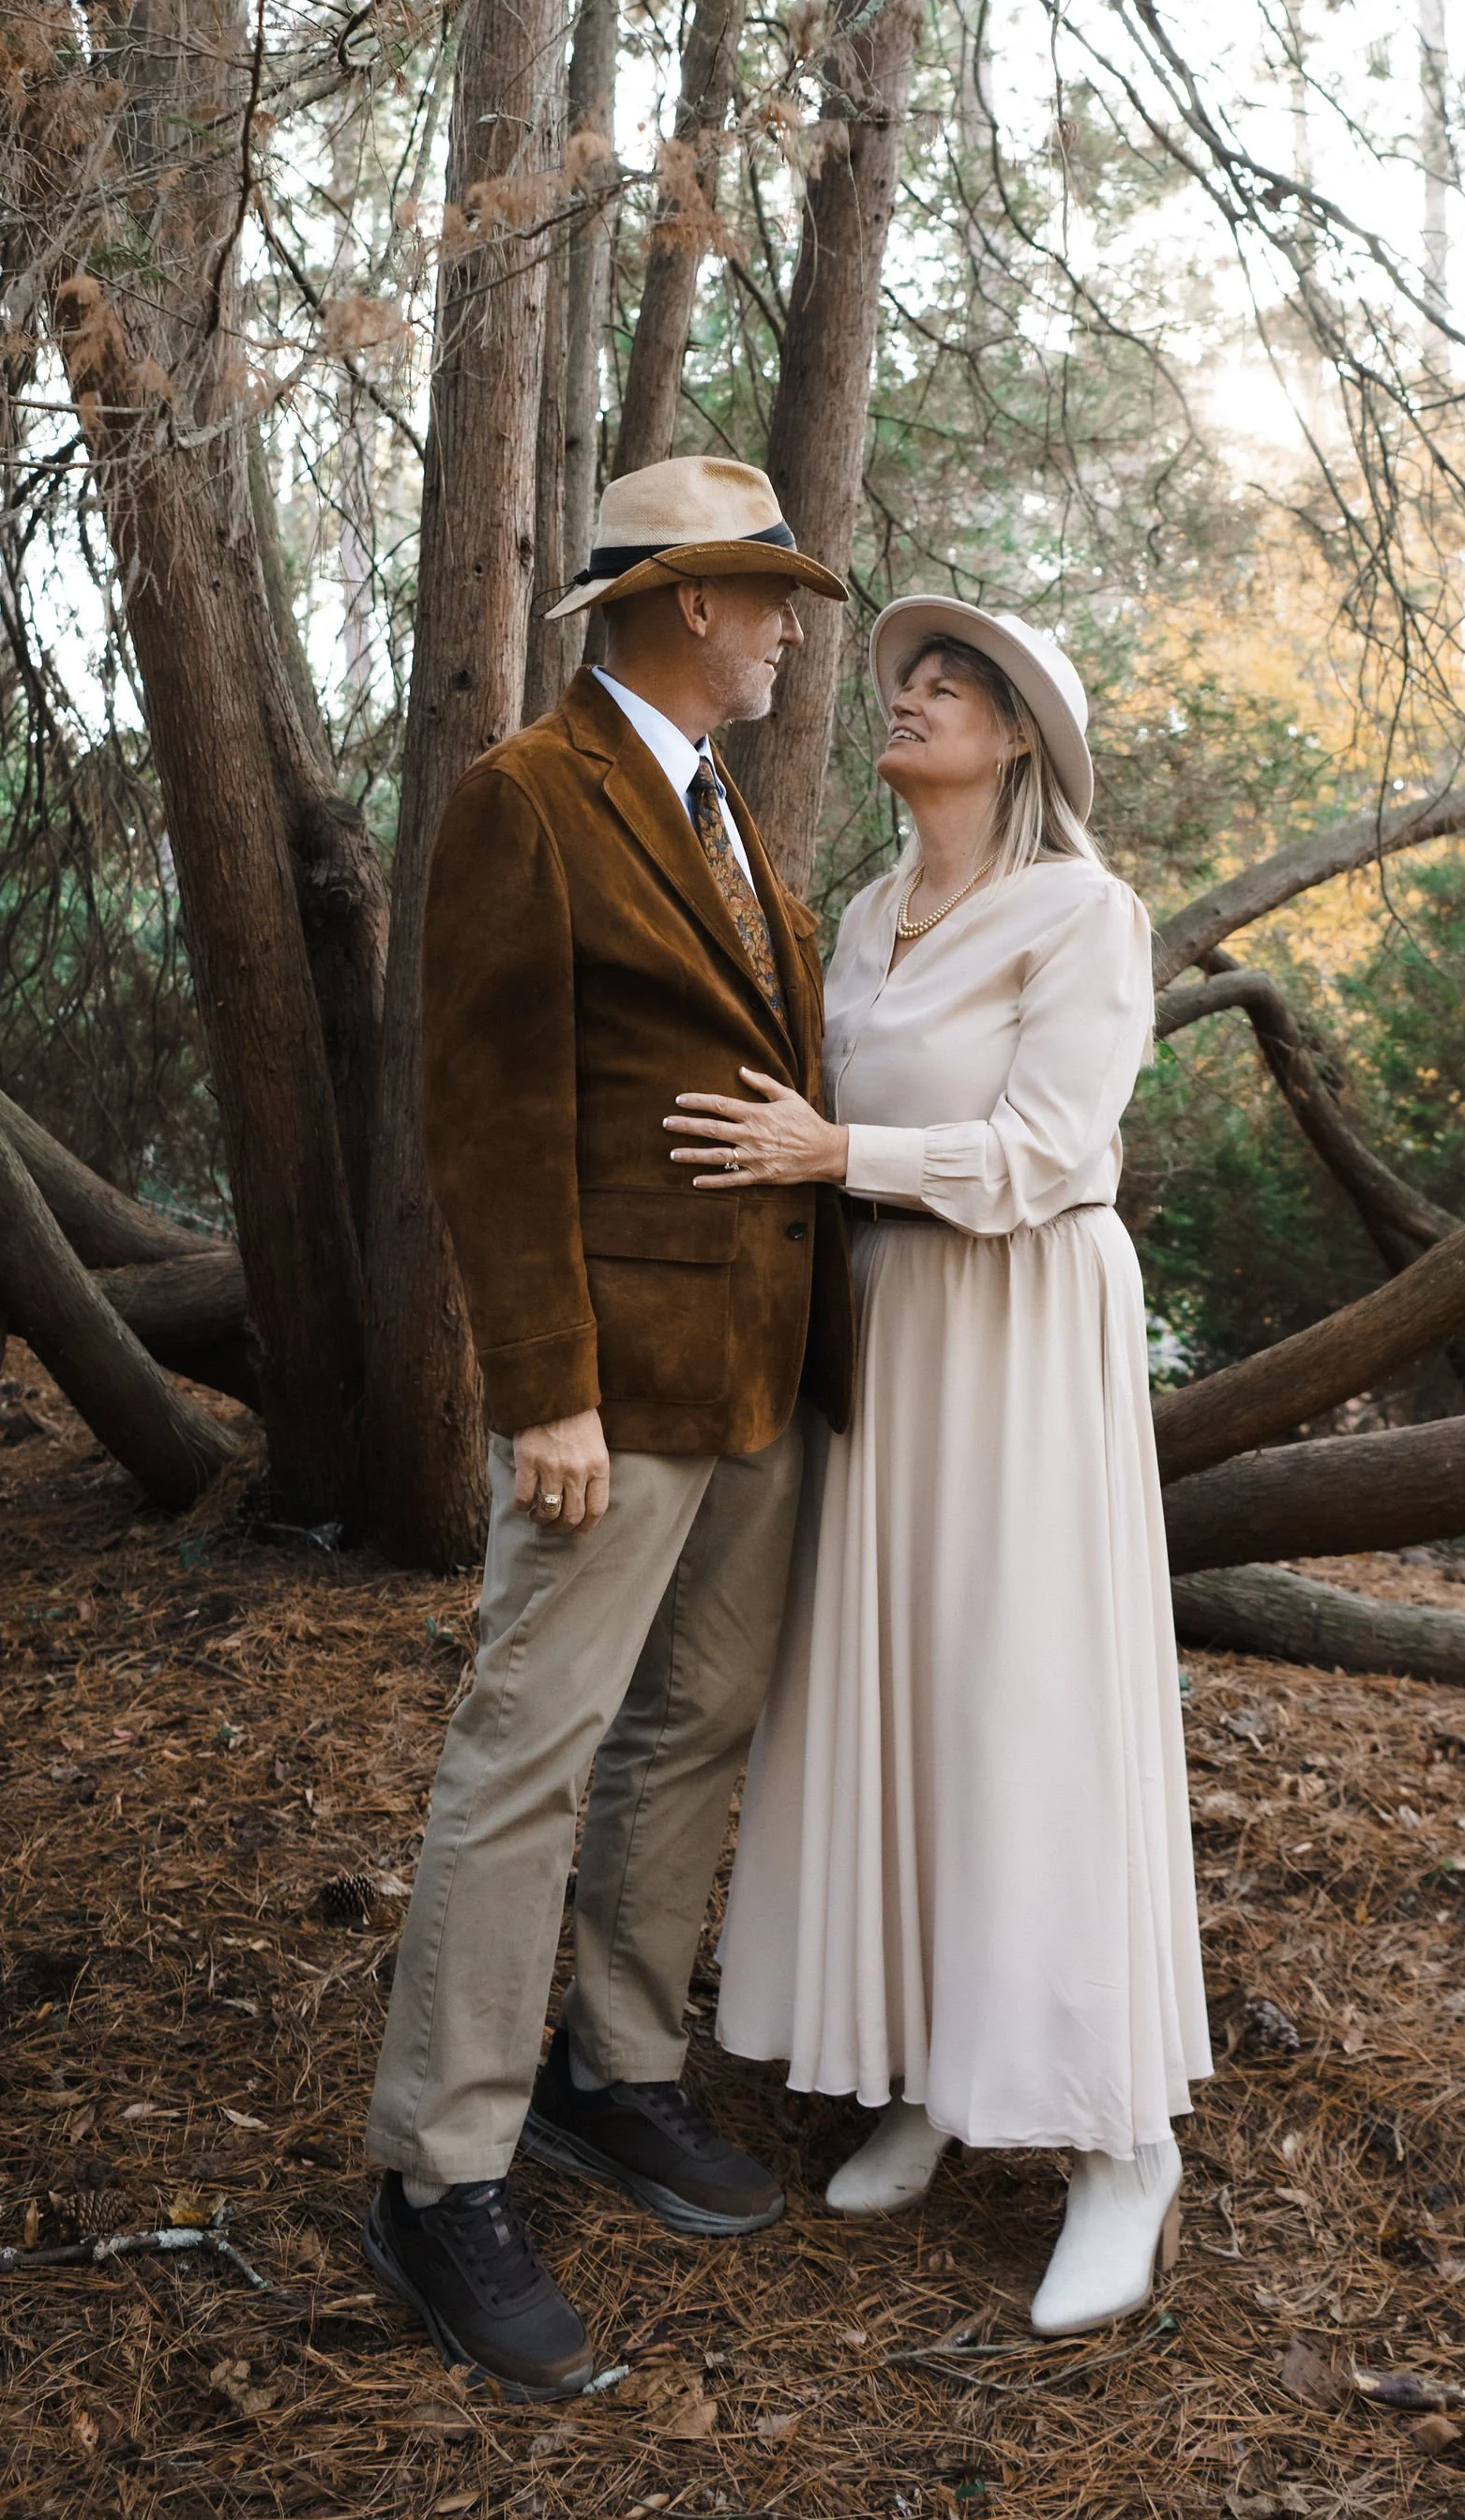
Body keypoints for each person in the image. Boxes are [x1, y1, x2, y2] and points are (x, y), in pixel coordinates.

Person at [360, 456, 854, 2401]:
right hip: (611, 1390)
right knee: (526, 1755)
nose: (796, 633)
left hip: (757, 1379)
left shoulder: (721, 811)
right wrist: (545, 1385)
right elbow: (489, 1122)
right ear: (687, 605)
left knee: (693, 1728)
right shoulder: (526, 801)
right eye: (772, 600)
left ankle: (615, 2071)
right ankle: (439, 2169)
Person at [679, 598, 1210, 2335]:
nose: (908, 698)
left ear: (1021, 743)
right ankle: (930, 2069)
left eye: (950, 685)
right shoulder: (860, 912)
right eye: (905, 680)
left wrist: (842, 1149)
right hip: (893, 1327)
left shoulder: (1086, 912)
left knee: (1026, 1703)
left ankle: (1119, 2149)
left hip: (1023, 1322)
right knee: (894, 1693)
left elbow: (1057, 1151)